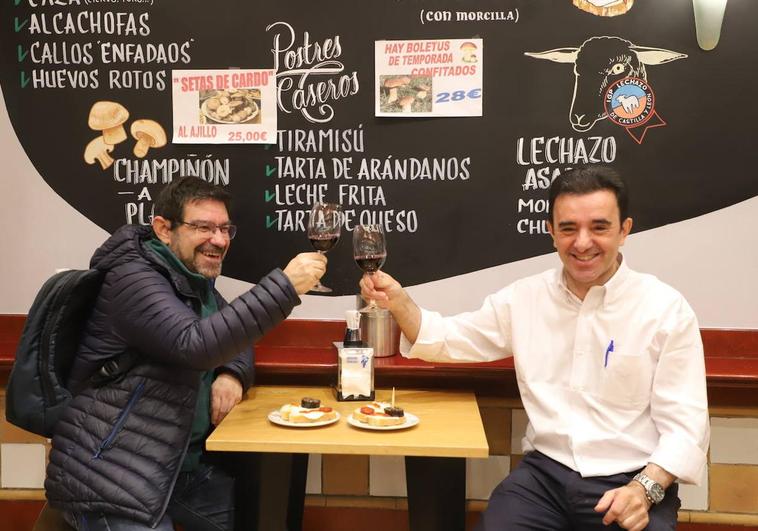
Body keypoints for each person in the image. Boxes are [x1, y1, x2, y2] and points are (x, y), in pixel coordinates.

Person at [360, 166, 709, 531]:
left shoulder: (665, 308)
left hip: (630, 479)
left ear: (625, 231)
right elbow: (449, 338)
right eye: (569, 228)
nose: (583, 242)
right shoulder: (524, 298)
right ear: (551, 232)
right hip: (544, 479)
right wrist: (399, 303)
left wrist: (643, 489)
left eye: (600, 227)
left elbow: (687, 427)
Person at [44, 176, 327, 530]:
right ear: (164, 229)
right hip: (116, 477)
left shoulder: (189, 279)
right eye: (203, 227)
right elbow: (196, 344)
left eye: (225, 229)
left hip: (178, 470)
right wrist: (284, 287)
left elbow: (228, 330)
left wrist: (231, 372)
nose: (219, 240)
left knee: (264, 514)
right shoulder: (134, 278)